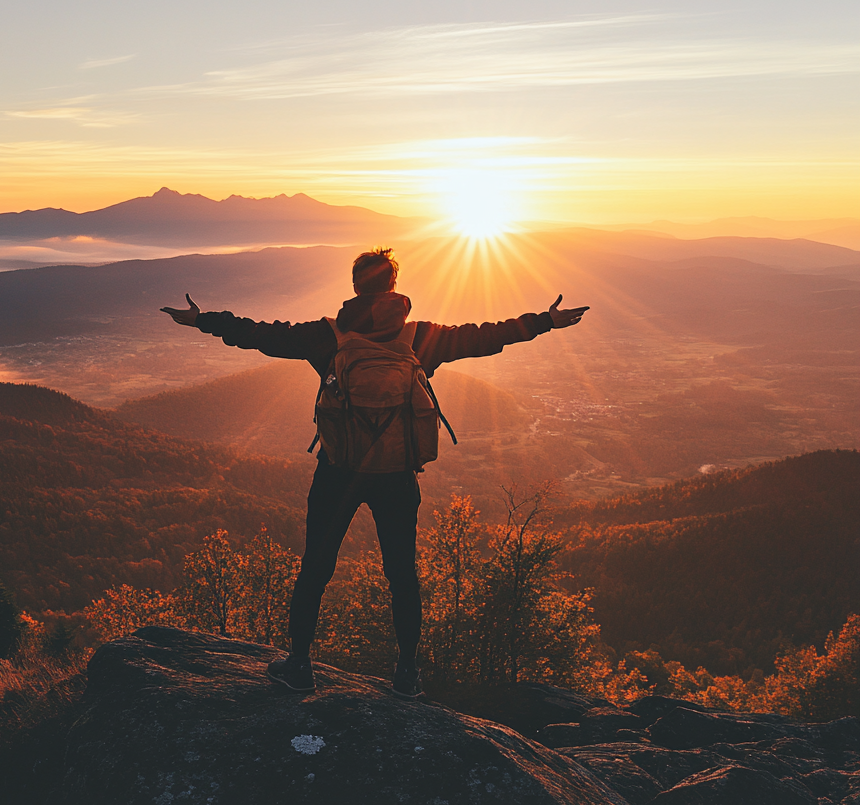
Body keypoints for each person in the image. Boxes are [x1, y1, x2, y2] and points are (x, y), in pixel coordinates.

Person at [162, 248, 588, 698]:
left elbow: (259, 335)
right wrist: (546, 320)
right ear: (393, 286)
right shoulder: (421, 336)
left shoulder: (326, 336)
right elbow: (487, 336)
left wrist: (202, 319)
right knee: (402, 572)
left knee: (316, 568)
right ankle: (407, 674)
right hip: (398, 473)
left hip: (339, 469)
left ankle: (299, 663)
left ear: (355, 287)